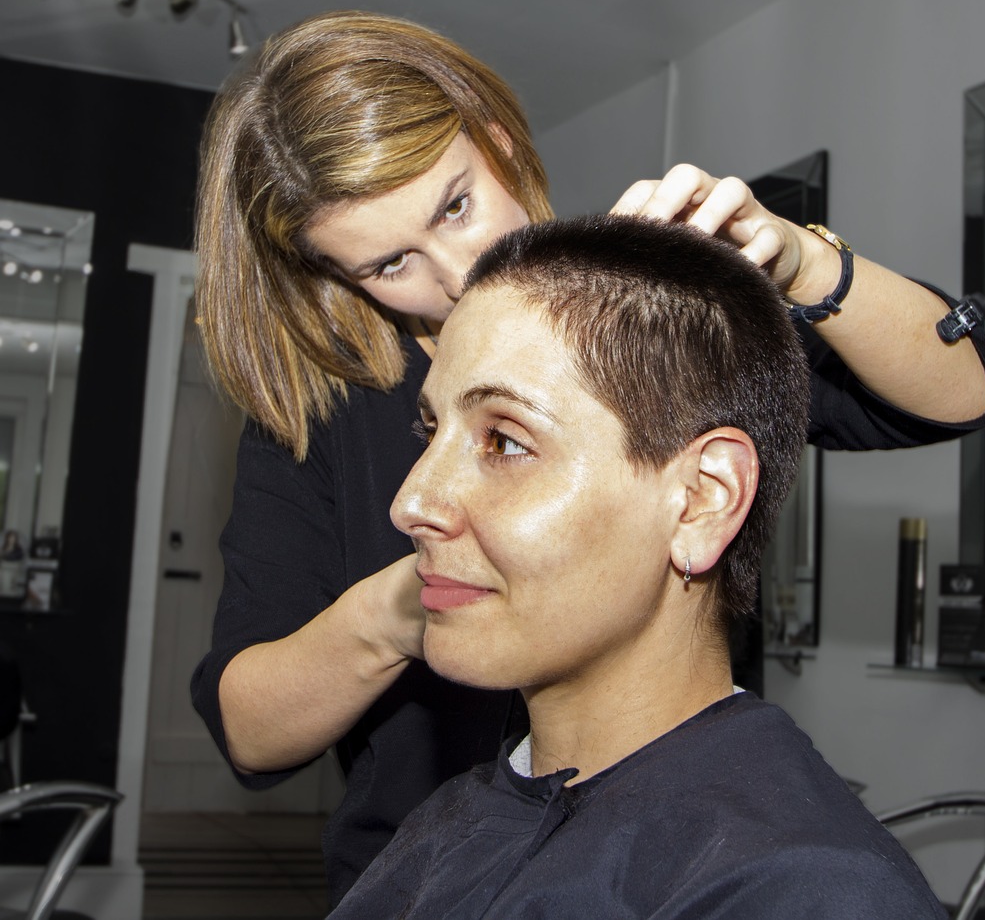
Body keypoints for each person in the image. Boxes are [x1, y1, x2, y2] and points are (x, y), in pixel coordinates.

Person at [189, 10, 985, 903]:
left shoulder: (631, 318)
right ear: (341, 277)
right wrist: (409, 601)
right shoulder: (322, 412)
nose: (458, 273)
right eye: (391, 265)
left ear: (497, 143)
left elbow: (959, 394)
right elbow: (252, 730)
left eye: (456, 205)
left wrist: (804, 264)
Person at [329, 213, 947, 918]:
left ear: (699, 503)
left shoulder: (803, 889)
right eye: (429, 431)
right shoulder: (455, 819)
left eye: (503, 440)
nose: (410, 502)